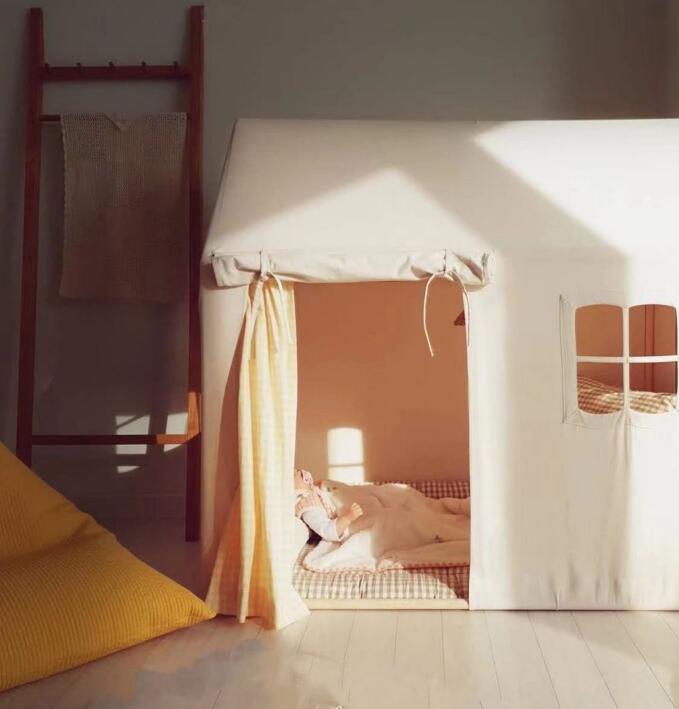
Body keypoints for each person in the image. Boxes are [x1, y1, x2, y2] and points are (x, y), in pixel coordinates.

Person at [294, 468, 363, 542]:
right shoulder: (307, 507)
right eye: (294, 474)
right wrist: (347, 518)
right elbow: (327, 531)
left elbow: (327, 497)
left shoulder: (312, 491)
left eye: (297, 470)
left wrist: (322, 489)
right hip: (336, 526)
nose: (301, 471)